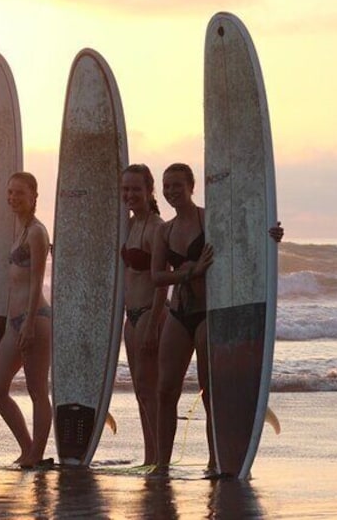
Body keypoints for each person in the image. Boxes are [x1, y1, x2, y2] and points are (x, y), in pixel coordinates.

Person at [150, 163, 282, 477]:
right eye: (167, 186)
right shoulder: (163, 231)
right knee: (165, 390)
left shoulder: (210, 219)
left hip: (208, 313)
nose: (171, 192)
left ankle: (215, 461)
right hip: (178, 312)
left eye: (177, 185)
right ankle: (162, 463)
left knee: (210, 392)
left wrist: (272, 235)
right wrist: (189, 272)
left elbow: (245, 242)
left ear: (191, 186)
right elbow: (156, 276)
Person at [0, 172, 54, 469]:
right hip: (14, 322)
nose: (13, 198)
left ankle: (36, 455)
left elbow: (38, 279)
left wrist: (27, 324)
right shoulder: (20, 229)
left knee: (37, 390)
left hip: (34, 318)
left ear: (34, 195)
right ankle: (28, 448)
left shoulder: (37, 232)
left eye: (19, 193)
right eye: (10, 193)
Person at [120, 164, 168, 466]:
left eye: (136, 189)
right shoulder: (131, 225)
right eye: (125, 189)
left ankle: (157, 457)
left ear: (149, 191)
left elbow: (162, 281)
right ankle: (150, 454)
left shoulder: (156, 227)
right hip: (131, 316)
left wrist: (152, 324)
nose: (130, 194)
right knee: (141, 389)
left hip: (150, 314)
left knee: (148, 387)